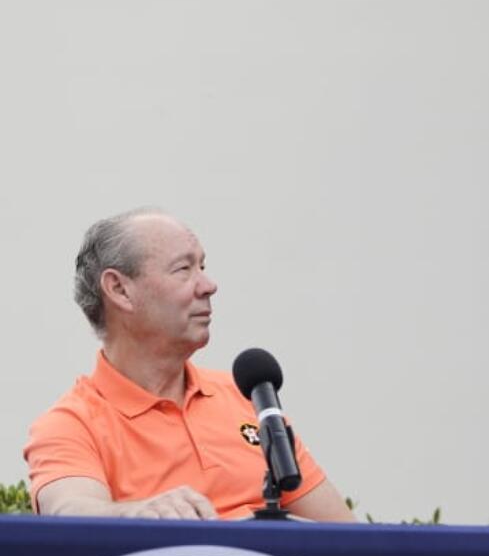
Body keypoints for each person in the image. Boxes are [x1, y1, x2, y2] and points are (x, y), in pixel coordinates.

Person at [24, 208, 355, 521]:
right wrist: (141, 513)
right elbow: (70, 510)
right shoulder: (72, 423)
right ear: (120, 290)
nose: (209, 285)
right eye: (184, 269)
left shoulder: (249, 396)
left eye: (203, 266)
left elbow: (348, 539)